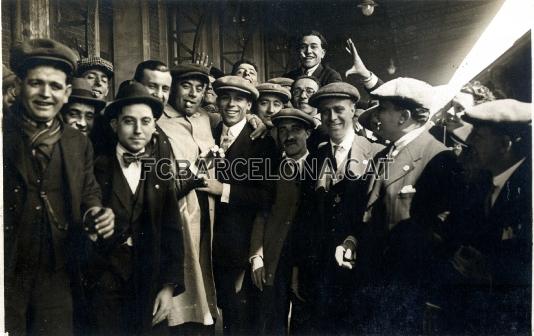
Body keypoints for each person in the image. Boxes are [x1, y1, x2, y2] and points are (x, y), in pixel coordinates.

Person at [4, 38, 114, 335]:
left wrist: (96, 212)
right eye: (36, 83)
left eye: (54, 87)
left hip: (57, 274)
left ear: (66, 93)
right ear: (19, 86)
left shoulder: (78, 142)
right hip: (6, 275)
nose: (45, 94)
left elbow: (89, 190)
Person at [336, 77, 461, 334]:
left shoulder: (438, 159)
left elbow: (440, 232)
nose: (377, 115)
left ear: (403, 117)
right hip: (373, 285)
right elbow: (368, 209)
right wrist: (352, 239)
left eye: (382, 108)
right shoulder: (383, 155)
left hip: (405, 290)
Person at [85, 81, 184, 335]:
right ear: (115, 125)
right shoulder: (96, 169)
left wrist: (168, 286)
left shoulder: (161, 171)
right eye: (129, 121)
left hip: (149, 281)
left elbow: (172, 230)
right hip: (104, 282)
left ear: (154, 126)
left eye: (146, 121)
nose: (138, 130)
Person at [429, 99, 532, 334]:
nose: (470, 140)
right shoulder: (483, 182)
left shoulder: (528, 191)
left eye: (478, 135)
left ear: (504, 144)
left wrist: (492, 272)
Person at [291, 82, 383, 334]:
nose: (332, 117)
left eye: (339, 109)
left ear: (353, 110)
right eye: (325, 112)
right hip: (317, 271)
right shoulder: (315, 158)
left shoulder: (377, 154)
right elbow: (304, 216)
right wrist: (298, 267)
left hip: (356, 270)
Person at [201, 75, 277, 335]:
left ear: (248, 106)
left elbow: (266, 197)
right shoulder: (206, 132)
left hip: (241, 245)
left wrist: (224, 190)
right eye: (225, 97)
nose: (231, 104)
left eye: (239, 99)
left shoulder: (262, 141)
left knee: (241, 320)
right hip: (206, 244)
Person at [156, 63, 220, 335]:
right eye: (186, 86)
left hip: (209, 211)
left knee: (206, 280)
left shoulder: (207, 119)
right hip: (179, 213)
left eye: (200, 87)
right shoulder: (158, 121)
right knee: (183, 289)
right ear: (173, 89)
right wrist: (199, 166)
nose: (193, 94)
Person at [249, 107, 314, 335]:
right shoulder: (273, 170)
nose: (289, 136)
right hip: (275, 257)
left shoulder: (321, 168)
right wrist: (257, 255)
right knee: (272, 323)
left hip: (305, 260)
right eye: (283, 130)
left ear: (308, 133)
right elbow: (262, 213)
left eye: (296, 129)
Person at [290, 75, 329, 152]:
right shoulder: (285, 126)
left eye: (309, 91)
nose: (303, 96)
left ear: (318, 97)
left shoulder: (329, 124)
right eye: (297, 92)